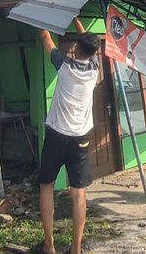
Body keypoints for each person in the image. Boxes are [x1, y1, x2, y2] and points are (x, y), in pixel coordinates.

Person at [38, 17, 100, 254]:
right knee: (78, 193)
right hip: (80, 139)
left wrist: (37, 15)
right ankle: (76, 248)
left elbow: (46, 37)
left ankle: (49, 245)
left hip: (56, 136)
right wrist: (76, 20)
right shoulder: (94, 68)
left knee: (46, 186)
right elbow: (86, 42)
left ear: (76, 47)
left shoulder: (64, 66)